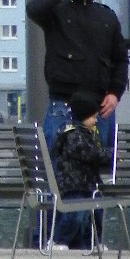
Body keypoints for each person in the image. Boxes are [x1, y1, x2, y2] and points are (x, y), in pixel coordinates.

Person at [26, 0, 128, 160]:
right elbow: (34, 9)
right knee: (59, 163)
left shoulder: (107, 16)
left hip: (99, 107)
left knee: (99, 164)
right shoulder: (57, 11)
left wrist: (115, 92)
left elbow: (120, 59)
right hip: (63, 103)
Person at [49, 88, 112, 250]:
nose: (95, 121)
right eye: (93, 117)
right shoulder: (75, 136)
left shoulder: (82, 134)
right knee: (74, 216)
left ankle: (93, 241)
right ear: (83, 116)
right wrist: (112, 154)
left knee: (94, 215)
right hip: (74, 186)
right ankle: (59, 240)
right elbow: (91, 154)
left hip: (85, 186)